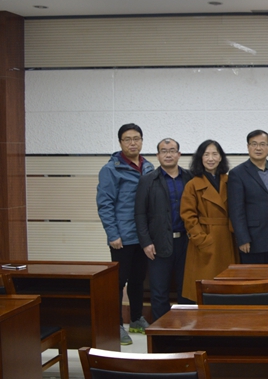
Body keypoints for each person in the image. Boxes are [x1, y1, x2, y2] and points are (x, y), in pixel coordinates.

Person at [96, 123, 154, 345]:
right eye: (127, 139)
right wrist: (113, 234)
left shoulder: (148, 167)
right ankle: (116, 324)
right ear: (120, 142)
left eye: (136, 138)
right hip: (122, 237)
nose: (132, 143)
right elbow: (105, 204)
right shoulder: (111, 169)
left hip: (143, 236)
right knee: (118, 282)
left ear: (142, 141)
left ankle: (137, 319)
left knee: (139, 280)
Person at [134, 138, 192, 322]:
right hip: (158, 244)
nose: (168, 154)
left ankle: (187, 331)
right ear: (158, 155)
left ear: (179, 154)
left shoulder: (190, 178)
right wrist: (146, 242)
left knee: (186, 291)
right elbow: (140, 214)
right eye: (164, 151)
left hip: (187, 243)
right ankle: (162, 333)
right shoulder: (147, 180)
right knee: (159, 292)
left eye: (172, 150)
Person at [180, 140, 238, 302]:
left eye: (214, 154)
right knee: (206, 291)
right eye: (206, 154)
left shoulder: (230, 181)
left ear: (221, 158)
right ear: (200, 158)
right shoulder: (192, 185)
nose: (210, 158)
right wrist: (201, 239)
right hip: (205, 240)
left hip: (228, 239)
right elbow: (188, 216)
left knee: (228, 289)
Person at [228, 130, 268, 264]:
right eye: (254, 144)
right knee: (253, 277)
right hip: (253, 239)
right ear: (248, 147)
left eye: (262, 144)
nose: (258, 148)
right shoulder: (237, 173)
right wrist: (242, 238)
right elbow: (236, 210)